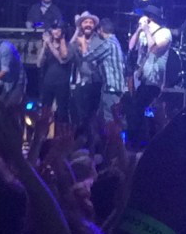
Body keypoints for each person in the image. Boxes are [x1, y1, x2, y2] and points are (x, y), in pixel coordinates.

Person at [126, 5, 172, 147]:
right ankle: (136, 141)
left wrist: (146, 30)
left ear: (151, 19)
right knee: (135, 109)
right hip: (140, 78)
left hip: (154, 80)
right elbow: (131, 46)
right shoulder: (142, 32)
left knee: (138, 108)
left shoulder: (165, 33)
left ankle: (139, 142)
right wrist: (139, 30)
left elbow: (154, 49)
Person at [82, 18, 126, 125]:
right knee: (103, 115)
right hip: (114, 87)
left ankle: (114, 135)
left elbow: (88, 57)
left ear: (101, 29)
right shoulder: (115, 41)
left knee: (110, 117)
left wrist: (83, 44)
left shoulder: (108, 44)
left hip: (111, 87)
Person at [70, 12, 104, 140]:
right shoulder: (77, 40)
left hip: (94, 82)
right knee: (79, 115)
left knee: (92, 116)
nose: (88, 24)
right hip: (80, 82)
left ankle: (92, 144)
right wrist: (76, 32)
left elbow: (94, 62)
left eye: (91, 22)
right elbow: (67, 52)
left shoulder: (99, 41)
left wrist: (84, 45)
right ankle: (80, 143)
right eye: (85, 22)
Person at [38, 23, 73, 127]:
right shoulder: (47, 46)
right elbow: (39, 63)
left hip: (62, 83)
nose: (56, 32)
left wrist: (50, 44)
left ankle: (61, 132)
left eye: (59, 29)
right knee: (45, 110)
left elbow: (62, 60)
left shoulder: (68, 45)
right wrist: (44, 46)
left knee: (62, 111)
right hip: (48, 82)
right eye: (54, 29)